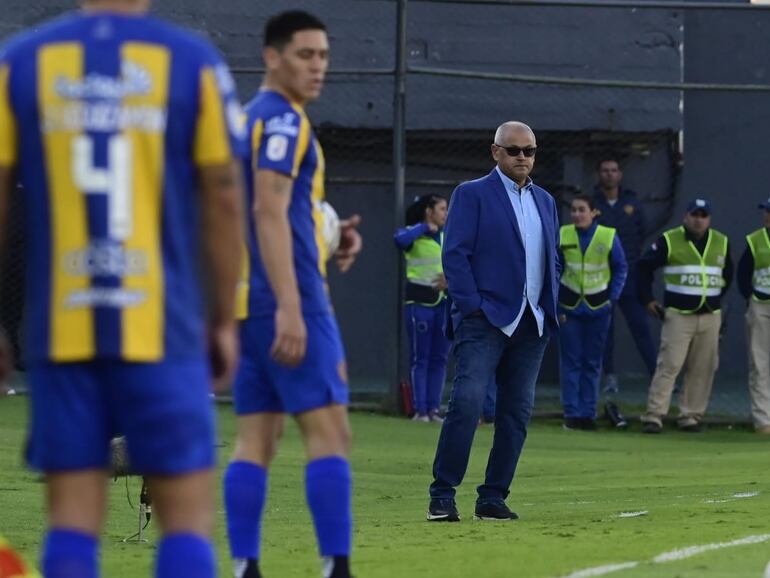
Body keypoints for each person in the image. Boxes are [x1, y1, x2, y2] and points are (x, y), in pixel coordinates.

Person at [0, 1, 246, 577]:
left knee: (71, 521)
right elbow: (226, 197)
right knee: (184, 522)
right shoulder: (194, 64)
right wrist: (222, 317)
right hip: (165, 326)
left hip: (64, 328)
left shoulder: (20, 62)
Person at [224, 11, 362, 578]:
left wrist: (333, 233)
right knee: (331, 431)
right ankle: (337, 567)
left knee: (259, 434)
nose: (318, 67)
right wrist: (289, 305)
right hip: (291, 299)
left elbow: (269, 211)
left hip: (241, 300)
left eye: (324, 55)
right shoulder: (284, 123)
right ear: (271, 57)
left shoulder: (244, 121)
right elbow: (268, 211)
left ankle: (245, 566)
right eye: (305, 55)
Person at [427, 121, 560, 522]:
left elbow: (551, 256)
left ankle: (492, 497)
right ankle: (443, 493)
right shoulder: (471, 194)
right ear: (495, 152)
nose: (523, 157)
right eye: (515, 150)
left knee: (516, 413)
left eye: (530, 151)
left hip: (532, 323)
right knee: (466, 404)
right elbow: (455, 254)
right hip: (484, 322)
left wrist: (548, 305)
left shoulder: (548, 201)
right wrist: (472, 307)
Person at [638, 199, 733, 434]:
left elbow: (728, 274)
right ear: (685, 217)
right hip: (678, 315)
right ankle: (654, 415)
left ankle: (690, 415)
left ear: (709, 219)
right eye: (694, 215)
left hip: (710, 315)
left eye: (703, 215)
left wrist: (714, 298)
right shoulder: (670, 240)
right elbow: (644, 267)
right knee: (669, 364)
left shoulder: (721, 241)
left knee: (704, 367)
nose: (698, 219)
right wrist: (648, 298)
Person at [558, 194, 627, 430]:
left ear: (594, 212)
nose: (577, 215)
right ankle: (571, 412)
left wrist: (612, 298)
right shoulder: (563, 234)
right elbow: (555, 267)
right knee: (571, 361)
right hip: (570, 306)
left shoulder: (608, 236)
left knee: (592, 362)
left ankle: (587, 413)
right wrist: (556, 300)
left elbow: (620, 268)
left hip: (599, 306)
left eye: (582, 210)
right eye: (574, 210)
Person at [593, 157, 657, 391]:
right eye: (605, 170)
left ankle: (656, 375)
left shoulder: (633, 204)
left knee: (640, 328)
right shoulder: (593, 204)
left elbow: (641, 233)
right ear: (599, 175)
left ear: (620, 174)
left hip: (629, 279)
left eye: (613, 170)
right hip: (601, 279)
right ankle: (610, 378)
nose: (609, 174)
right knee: (605, 332)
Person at [394, 194, 450, 423]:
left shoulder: (447, 236)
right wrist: (423, 227)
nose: (445, 214)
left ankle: (434, 408)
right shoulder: (413, 235)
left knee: (440, 357)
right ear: (430, 211)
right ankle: (420, 410)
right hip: (420, 303)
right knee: (421, 357)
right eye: (442, 209)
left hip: (443, 303)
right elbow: (399, 240)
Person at [737, 198, 770, 435]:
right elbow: (743, 274)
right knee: (760, 365)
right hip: (761, 306)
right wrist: (750, 298)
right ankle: (764, 420)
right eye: (767, 211)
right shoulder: (755, 240)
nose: (767, 216)